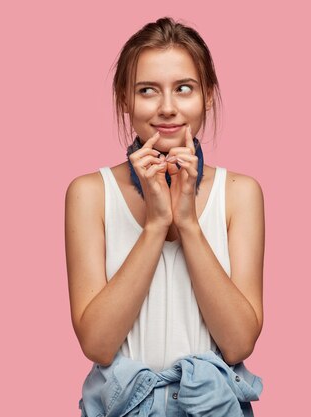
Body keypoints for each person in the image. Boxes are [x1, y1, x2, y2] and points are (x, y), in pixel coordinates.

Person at [64, 17, 264, 416]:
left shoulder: (240, 194)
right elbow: (99, 344)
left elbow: (239, 343)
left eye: (184, 89)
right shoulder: (89, 194)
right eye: (147, 91)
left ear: (208, 96)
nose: (168, 108)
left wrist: (187, 222)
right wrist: (155, 224)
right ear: (125, 99)